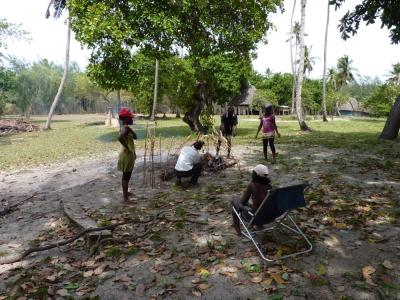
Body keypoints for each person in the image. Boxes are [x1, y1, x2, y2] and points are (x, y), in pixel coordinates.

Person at [231, 164, 272, 236]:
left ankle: (237, 230)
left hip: (253, 217)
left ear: (255, 175)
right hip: (268, 216)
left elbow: (242, 202)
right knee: (260, 204)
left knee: (234, 200)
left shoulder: (252, 185)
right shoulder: (269, 186)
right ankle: (259, 226)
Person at [117, 108, 137, 202]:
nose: (132, 120)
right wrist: (128, 148)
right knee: (126, 176)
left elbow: (136, 137)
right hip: (127, 155)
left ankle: (126, 193)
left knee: (127, 175)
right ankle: (125, 197)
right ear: (126, 119)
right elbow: (120, 137)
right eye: (131, 118)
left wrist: (131, 130)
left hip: (127, 155)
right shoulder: (125, 128)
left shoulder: (125, 127)